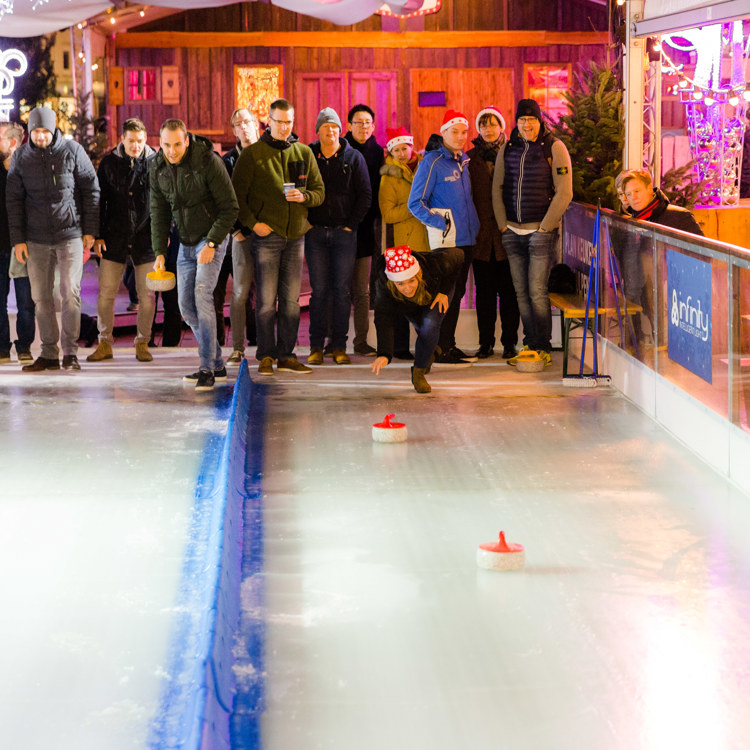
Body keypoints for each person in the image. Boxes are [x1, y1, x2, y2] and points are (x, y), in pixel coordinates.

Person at [231, 98, 325, 376]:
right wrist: (253, 224)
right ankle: (265, 355)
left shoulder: (304, 152)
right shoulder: (253, 155)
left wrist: (304, 196)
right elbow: (236, 197)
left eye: (289, 122)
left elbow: (319, 193)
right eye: (279, 122)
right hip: (267, 237)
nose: (284, 127)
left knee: (291, 301)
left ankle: (287, 355)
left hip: (295, 237)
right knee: (265, 301)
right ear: (268, 122)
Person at [7, 105, 99, 372]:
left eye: (45, 131)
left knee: (71, 292)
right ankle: (48, 352)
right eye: (36, 132)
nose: (41, 137)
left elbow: (91, 190)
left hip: (69, 234)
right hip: (35, 239)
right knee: (40, 296)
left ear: (54, 129)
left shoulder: (72, 151)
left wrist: (90, 230)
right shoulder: (21, 157)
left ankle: (70, 352)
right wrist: (19, 239)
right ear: (30, 132)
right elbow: (14, 200)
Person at [150, 118, 238, 391]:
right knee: (185, 306)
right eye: (166, 145)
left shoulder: (208, 161)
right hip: (185, 242)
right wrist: (160, 252)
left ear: (187, 141)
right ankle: (217, 363)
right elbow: (159, 211)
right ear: (160, 143)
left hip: (211, 238)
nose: (172, 151)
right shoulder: (157, 167)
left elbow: (230, 209)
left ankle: (206, 369)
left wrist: (211, 243)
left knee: (202, 297)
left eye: (177, 144)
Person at [492, 98, 573, 366]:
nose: (527, 124)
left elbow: (565, 192)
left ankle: (543, 346)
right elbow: (497, 188)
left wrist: (545, 227)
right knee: (521, 291)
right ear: (516, 122)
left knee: (537, 290)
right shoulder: (508, 147)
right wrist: (503, 225)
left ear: (540, 121)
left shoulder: (554, 147)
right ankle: (529, 342)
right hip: (512, 232)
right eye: (523, 120)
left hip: (540, 232)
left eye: (532, 120)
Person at [408, 109, 480, 364]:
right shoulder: (433, 162)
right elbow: (415, 203)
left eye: (464, 132)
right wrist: (442, 224)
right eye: (455, 132)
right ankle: (438, 347)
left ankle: (447, 345)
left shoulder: (463, 162)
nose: (461, 137)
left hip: (467, 238)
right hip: (448, 241)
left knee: (457, 292)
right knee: (445, 294)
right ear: (443, 132)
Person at [306, 107, 371, 366]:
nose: (330, 131)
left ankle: (340, 346)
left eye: (334, 127)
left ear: (340, 130)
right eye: (325, 127)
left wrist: (351, 225)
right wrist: (307, 224)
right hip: (316, 234)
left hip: (345, 235)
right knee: (319, 291)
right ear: (318, 130)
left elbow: (365, 195)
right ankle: (315, 346)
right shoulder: (309, 155)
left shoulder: (354, 158)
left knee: (342, 291)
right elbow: (298, 189)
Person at [88, 117, 156, 363]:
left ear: (146, 140)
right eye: (131, 141)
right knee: (106, 292)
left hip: (145, 237)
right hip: (113, 236)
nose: (135, 146)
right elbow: (98, 201)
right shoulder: (108, 163)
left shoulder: (155, 162)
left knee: (147, 295)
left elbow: (165, 202)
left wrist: (163, 235)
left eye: (139, 141)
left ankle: (143, 342)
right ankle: (105, 342)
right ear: (122, 140)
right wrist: (97, 235)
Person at [371, 245, 463, 393]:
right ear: (392, 282)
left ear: (418, 275)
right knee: (424, 333)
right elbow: (383, 319)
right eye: (400, 283)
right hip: (408, 304)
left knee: (430, 326)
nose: (407, 288)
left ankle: (418, 373)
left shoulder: (434, 264)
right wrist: (384, 353)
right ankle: (432, 353)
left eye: (411, 281)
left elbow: (459, 254)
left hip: (437, 289)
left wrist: (443, 291)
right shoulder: (384, 287)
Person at [467, 106, 520, 360]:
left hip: (507, 236)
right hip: (480, 238)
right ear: (478, 129)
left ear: (501, 126)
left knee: (509, 293)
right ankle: (485, 343)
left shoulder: (512, 154)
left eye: (493, 124)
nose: (488, 129)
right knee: (484, 296)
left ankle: (510, 343)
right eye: (483, 125)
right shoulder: (468, 158)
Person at [379, 125, 428, 359]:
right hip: (404, 244)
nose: (401, 153)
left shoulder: (425, 167)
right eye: (396, 150)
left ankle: (427, 345)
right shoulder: (389, 176)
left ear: (411, 146)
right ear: (391, 152)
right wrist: (414, 208)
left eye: (405, 148)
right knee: (402, 296)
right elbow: (387, 214)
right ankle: (399, 347)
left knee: (425, 296)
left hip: (428, 241)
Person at [344, 104, 384, 357]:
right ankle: (333, 342)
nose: (364, 127)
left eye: (368, 122)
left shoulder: (377, 151)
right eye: (358, 122)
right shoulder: (340, 148)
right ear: (349, 126)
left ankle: (360, 341)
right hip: (340, 228)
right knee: (336, 288)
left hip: (366, 229)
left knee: (362, 289)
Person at [220, 108, 259, 365]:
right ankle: (237, 347)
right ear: (233, 130)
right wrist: (235, 230)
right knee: (240, 292)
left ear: (256, 125)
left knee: (268, 293)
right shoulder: (228, 160)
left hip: (269, 233)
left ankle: (267, 347)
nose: (243, 127)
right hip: (242, 234)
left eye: (247, 122)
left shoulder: (269, 153)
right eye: (238, 124)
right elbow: (223, 199)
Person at [0, 121, 34, 365]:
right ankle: (2, 348)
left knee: (25, 302)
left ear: (12, 143)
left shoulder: (28, 170)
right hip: (0, 245)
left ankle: (24, 346)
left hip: (23, 245)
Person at [622, 169, 704, 235]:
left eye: (637, 191)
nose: (634, 197)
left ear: (649, 188)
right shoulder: (628, 223)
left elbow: (701, 252)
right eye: (629, 194)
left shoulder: (680, 216)